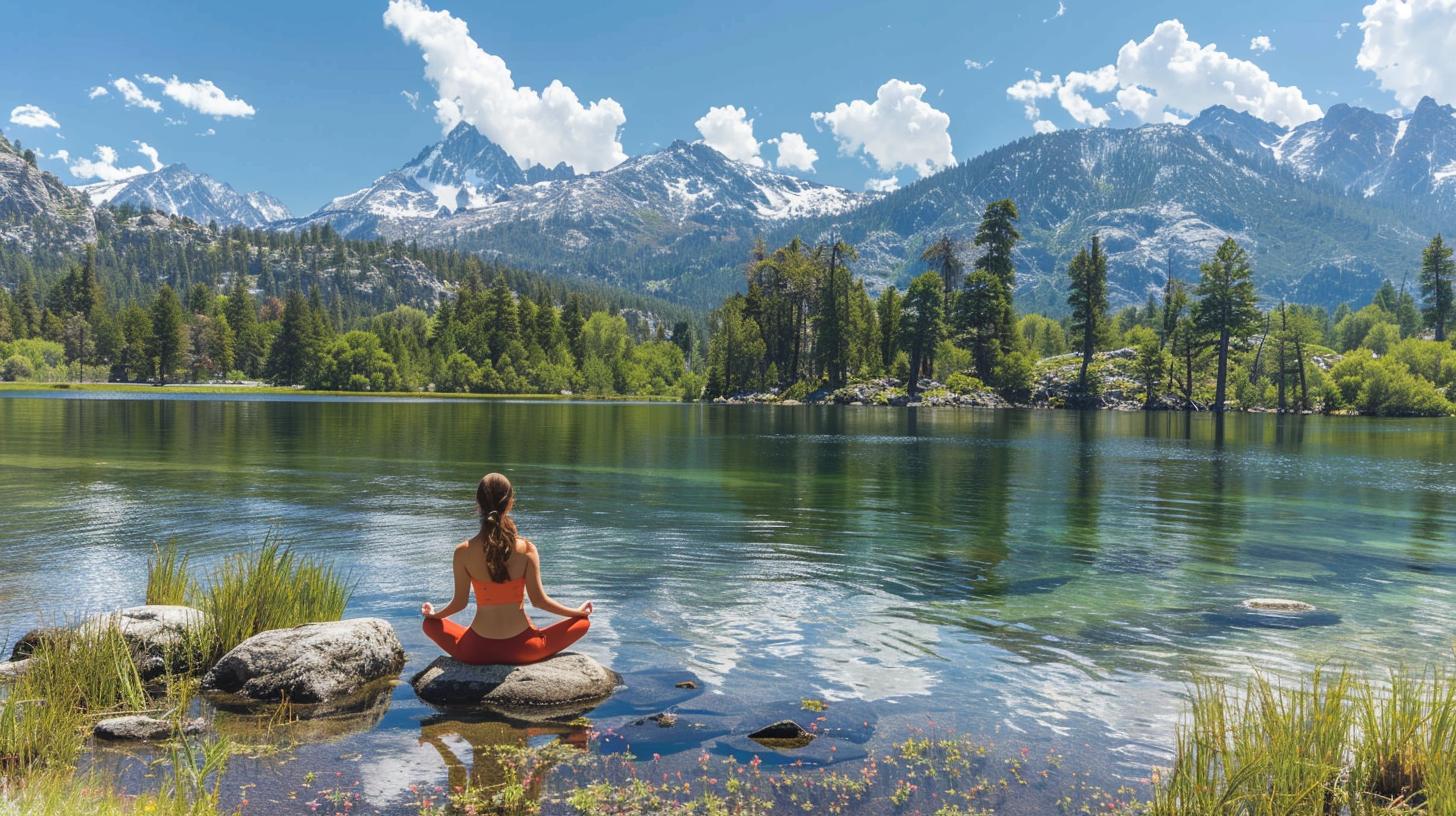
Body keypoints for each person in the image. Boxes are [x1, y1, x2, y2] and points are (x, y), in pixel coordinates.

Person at [421, 473, 592, 665]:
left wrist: (434, 615)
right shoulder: (527, 549)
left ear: (478, 503)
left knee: (429, 625)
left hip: (476, 650)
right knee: (583, 623)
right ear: (510, 503)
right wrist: (578, 613)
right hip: (525, 649)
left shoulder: (463, 552)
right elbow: (539, 601)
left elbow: (459, 604)